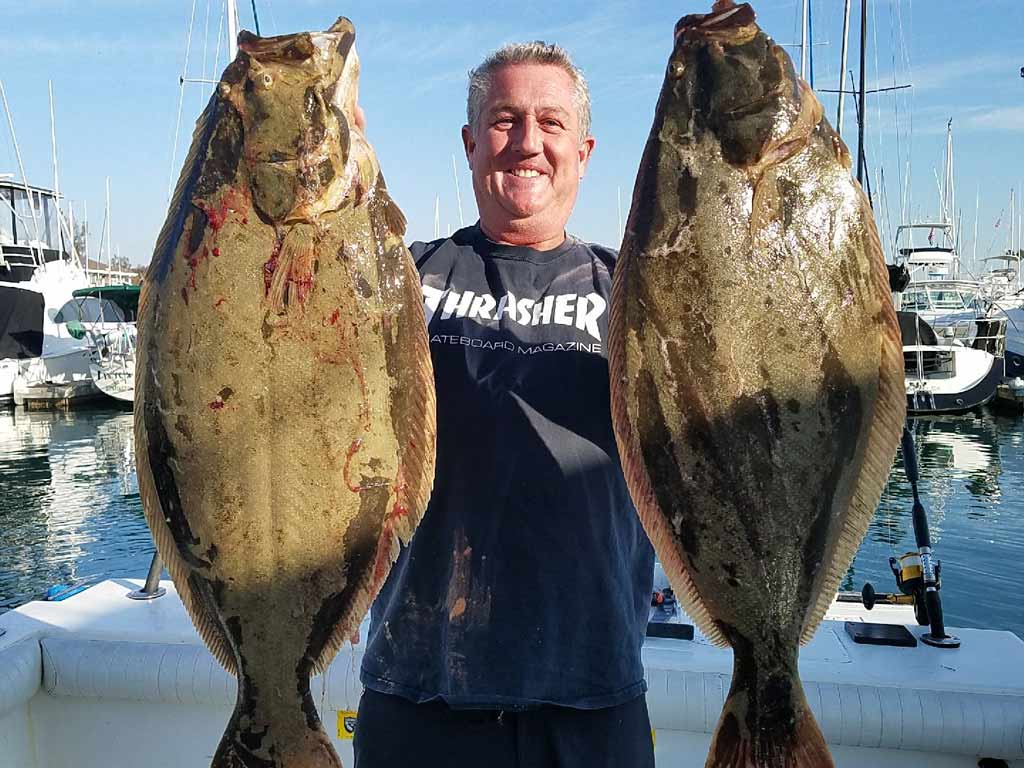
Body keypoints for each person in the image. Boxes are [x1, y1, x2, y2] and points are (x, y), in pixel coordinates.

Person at [353, 42, 655, 768]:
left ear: (582, 151)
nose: (527, 142)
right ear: (468, 143)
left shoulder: (638, 296)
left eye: (550, 123)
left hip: (593, 698)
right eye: (504, 119)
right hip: (416, 695)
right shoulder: (402, 279)